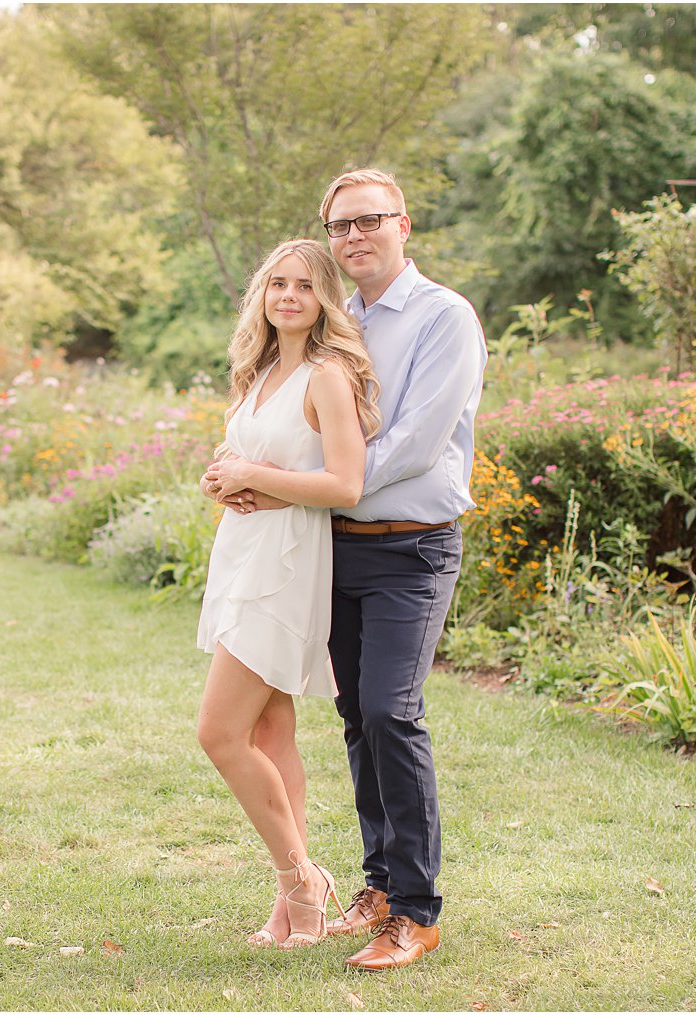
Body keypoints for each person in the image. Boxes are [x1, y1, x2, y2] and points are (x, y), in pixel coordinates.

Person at [213, 169, 486, 971]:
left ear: (404, 224)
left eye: (370, 221)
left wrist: (297, 481)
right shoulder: (340, 322)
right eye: (341, 226)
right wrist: (255, 470)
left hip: (412, 545)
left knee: (390, 709)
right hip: (335, 546)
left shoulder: (444, 318)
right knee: (356, 719)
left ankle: (416, 910)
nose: (355, 236)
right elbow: (299, 435)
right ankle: (375, 885)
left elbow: (414, 442)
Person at [195, 238, 381, 950]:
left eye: (304, 285)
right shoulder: (262, 368)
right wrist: (220, 479)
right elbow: (241, 459)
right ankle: (290, 904)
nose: (289, 296)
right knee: (271, 734)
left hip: (288, 560)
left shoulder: (328, 376)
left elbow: (345, 484)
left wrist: (253, 477)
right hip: (242, 551)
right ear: (263, 295)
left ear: (324, 298)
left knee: (219, 732)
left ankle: (303, 876)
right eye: (278, 284)